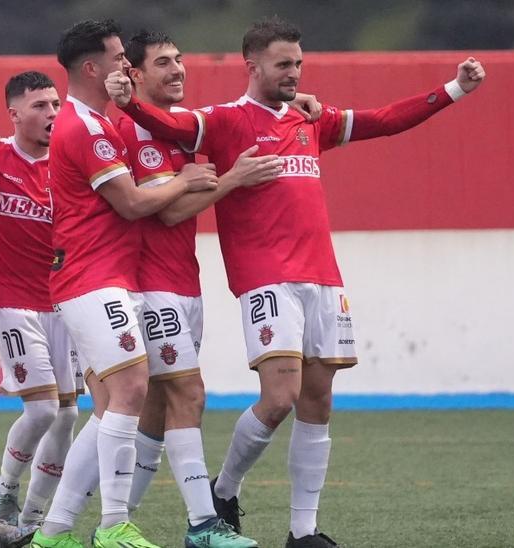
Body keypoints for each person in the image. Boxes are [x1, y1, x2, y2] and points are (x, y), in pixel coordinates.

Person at [110, 16, 486, 548]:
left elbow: (382, 120)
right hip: (267, 278)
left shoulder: (311, 119)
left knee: (318, 401)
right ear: (253, 66)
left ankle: (304, 531)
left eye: (299, 64)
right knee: (280, 396)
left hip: (323, 277)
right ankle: (225, 487)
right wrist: (126, 102)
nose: (294, 72)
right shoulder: (225, 120)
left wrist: (454, 90)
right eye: (284, 64)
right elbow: (171, 127)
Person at [30, 19, 221, 548]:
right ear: (92, 67)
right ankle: (114, 524)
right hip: (92, 275)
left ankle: (55, 530)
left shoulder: (99, 122)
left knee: (113, 402)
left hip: (104, 275)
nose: (125, 67)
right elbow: (133, 203)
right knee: (133, 389)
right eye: (118, 58)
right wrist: (185, 181)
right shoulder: (87, 129)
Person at [115, 30, 286, 548]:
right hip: (150, 286)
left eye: (180, 60)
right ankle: (202, 525)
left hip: (182, 283)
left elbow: (239, 114)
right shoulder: (133, 131)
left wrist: (296, 97)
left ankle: (113, 522)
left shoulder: (185, 132)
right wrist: (230, 180)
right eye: (162, 62)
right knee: (189, 395)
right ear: (136, 76)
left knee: (155, 410)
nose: (177, 70)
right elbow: (167, 212)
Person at [0, 71, 83, 530]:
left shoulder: (71, 163)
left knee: (67, 415)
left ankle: (32, 518)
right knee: (44, 408)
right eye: (39, 106)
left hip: (63, 299)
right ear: (14, 114)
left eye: (56, 104)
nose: (52, 114)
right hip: (10, 298)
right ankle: (6, 489)